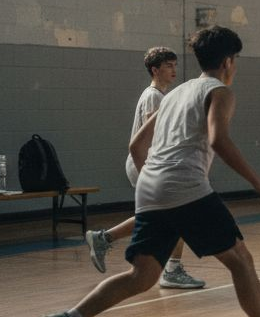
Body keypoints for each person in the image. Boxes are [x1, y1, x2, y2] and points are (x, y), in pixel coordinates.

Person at [38, 26, 260, 317]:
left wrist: (154, 181)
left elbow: (136, 146)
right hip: (185, 187)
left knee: (142, 277)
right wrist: (258, 182)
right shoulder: (220, 92)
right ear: (229, 61)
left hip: (151, 189)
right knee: (241, 261)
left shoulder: (174, 93)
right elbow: (219, 140)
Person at [84, 47, 205, 289]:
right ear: (155, 69)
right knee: (176, 212)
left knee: (165, 216)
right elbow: (155, 136)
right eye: (168, 65)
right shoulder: (154, 97)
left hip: (153, 164)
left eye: (174, 65)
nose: (174, 70)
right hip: (147, 164)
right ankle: (170, 269)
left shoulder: (161, 96)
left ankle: (105, 239)